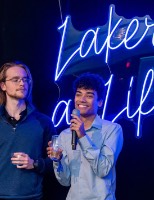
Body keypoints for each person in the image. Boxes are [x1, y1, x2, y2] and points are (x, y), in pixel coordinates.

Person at [47, 72, 123, 200]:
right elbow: (65, 181)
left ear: (100, 102)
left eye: (89, 95)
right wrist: (58, 161)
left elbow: (103, 170)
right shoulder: (65, 135)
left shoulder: (112, 129)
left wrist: (82, 136)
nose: (82, 100)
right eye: (78, 94)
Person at [0, 61, 56, 199]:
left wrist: (34, 164)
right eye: (15, 80)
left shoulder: (44, 122)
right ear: (3, 85)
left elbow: (55, 161)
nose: (22, 83)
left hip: (32, 196)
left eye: (25, 79)